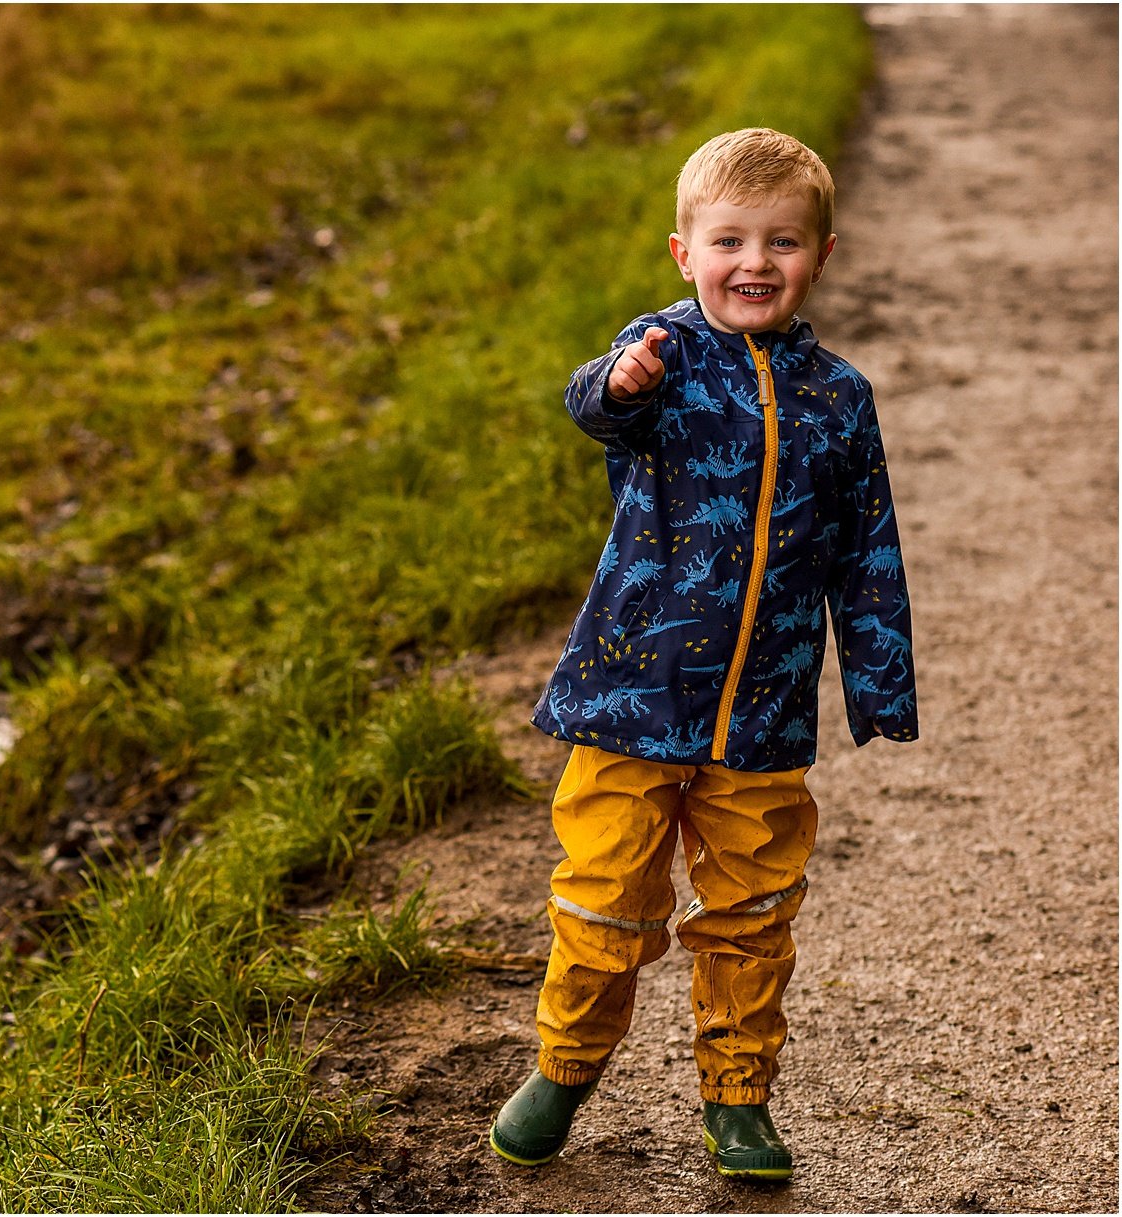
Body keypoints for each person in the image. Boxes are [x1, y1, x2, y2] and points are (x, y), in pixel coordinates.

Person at [488, 128, 918, 1180]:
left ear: (821, 253)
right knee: (602, 901)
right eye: (728, 240)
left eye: (780, 241)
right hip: (630, 701)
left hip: (762, 719)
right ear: (684, 253)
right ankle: (563, 1066)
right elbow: (593, 406)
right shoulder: (660, 360)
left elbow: (866, 547)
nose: (754, 262)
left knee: (751, 913)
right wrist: (622, 378)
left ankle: (738, 1099)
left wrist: (876, 681)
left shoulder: (837, 399)